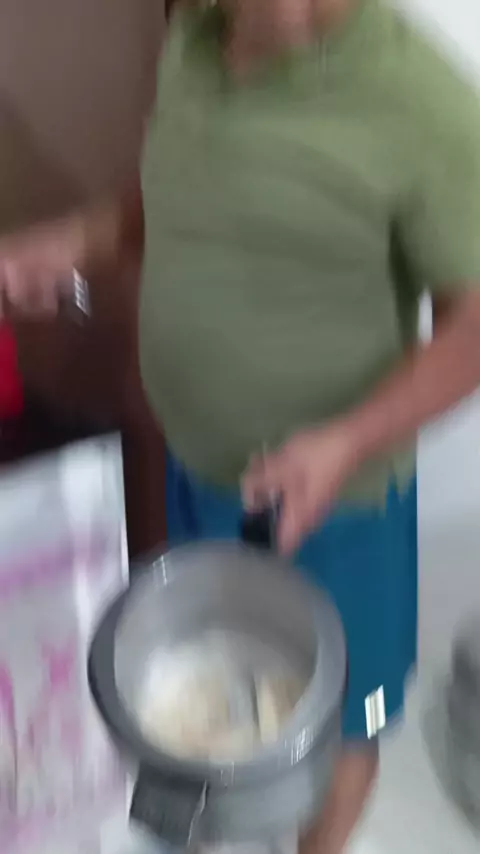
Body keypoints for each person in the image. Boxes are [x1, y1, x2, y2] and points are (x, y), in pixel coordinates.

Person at [1, 0, 480, 850]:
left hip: (341, 508)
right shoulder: (194, 41)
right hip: (198, 470)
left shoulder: (423, 107)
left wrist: (347, 440)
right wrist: (75, 241)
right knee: (223, 660)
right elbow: (172, 204)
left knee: (351, 717)